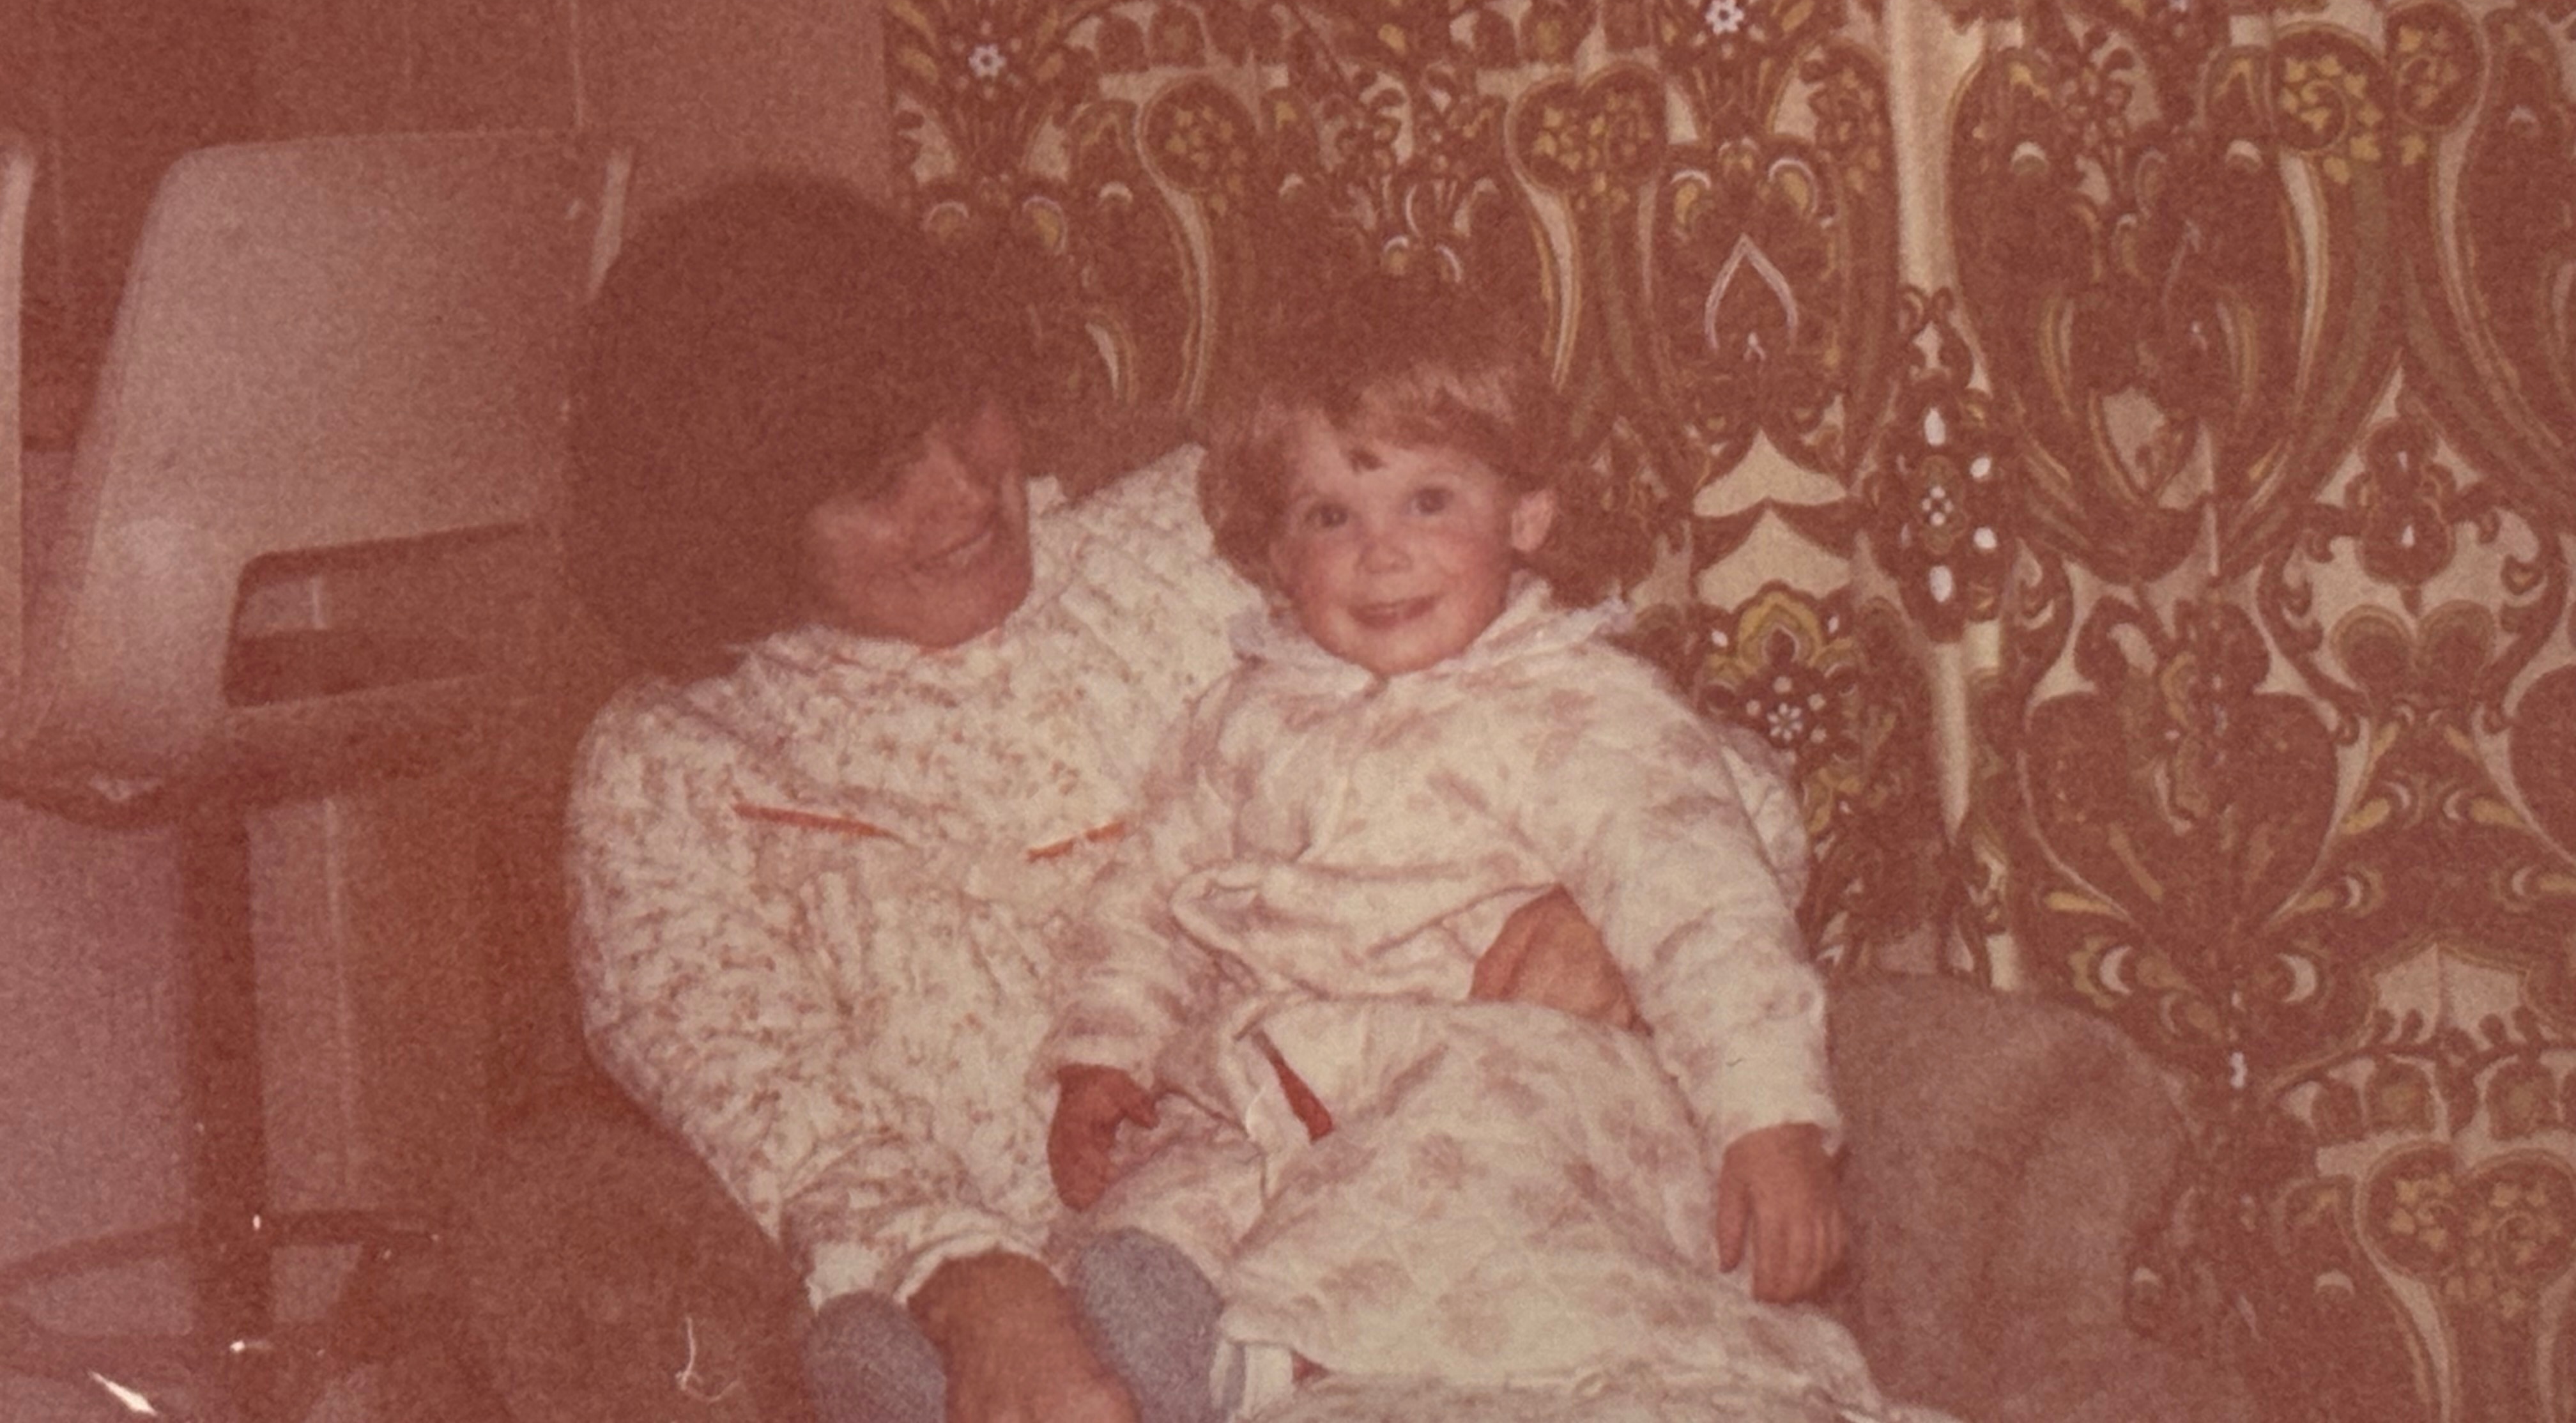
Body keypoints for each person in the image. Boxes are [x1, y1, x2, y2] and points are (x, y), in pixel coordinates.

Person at [560, 176, 1653, 1423]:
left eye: (959, 413)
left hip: (1406, 1185)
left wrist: (1606, 898)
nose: (966, 494)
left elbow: (1606, 720)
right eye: (878, 479)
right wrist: (973, 1288)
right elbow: (774, 1102)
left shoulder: (1190, 546)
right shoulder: (671, 773)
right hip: (1051, 1298)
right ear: (748, 524)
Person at [1041, 279, 1893, 1411]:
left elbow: (1704, 907)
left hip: (1516, 1079)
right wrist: (1105, 1048)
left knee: (1464, 1117)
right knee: (1183, 1187)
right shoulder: (1243, 720)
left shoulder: (1584, 707)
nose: (1379, 555)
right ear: (1276, 558)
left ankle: (1286, 1348)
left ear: (1525, 518)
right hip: (1298, 1089)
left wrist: (1770, 1118)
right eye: (1330, 517)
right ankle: (1145, 1341)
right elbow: (1146, 894)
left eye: (1427, 501)